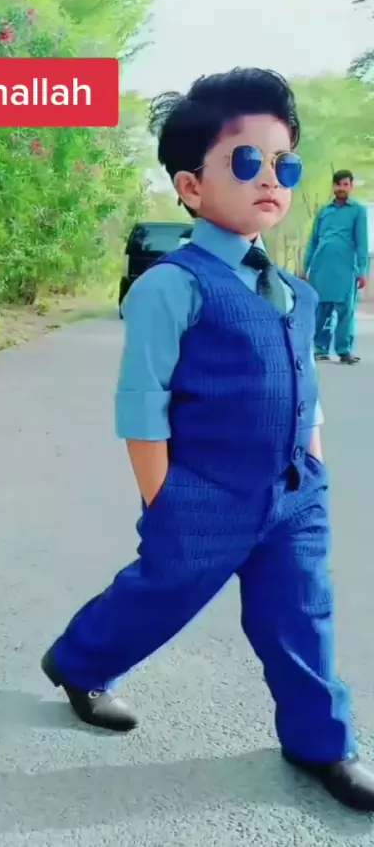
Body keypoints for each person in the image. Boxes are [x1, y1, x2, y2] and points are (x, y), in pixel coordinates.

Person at [41, 68, 374, 812]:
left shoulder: (295, 292)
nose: (271, 178)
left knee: (302, 613)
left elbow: (307, 390)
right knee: (161, 595)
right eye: (247, 160)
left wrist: (315, 467)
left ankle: (323, 741)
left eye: (284, 163)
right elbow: (142, 401)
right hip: (203, 495)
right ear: (191, 186)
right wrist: (163, 497)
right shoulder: (173, 285)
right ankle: (78, 661)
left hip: (294, 495)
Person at [301, 170, 369, 364]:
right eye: (338, 184)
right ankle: (320, 348)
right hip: (321, 267)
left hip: (345, 268)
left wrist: (362, 270)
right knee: (322, 309)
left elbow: (362, 243)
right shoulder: (324, 212)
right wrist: (306, 267)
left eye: (345, 184)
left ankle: (344, 350)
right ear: (333, 186)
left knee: (345, 310)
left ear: (351, 186)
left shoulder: (357, 211)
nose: (341, 188)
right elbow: (313, 241)